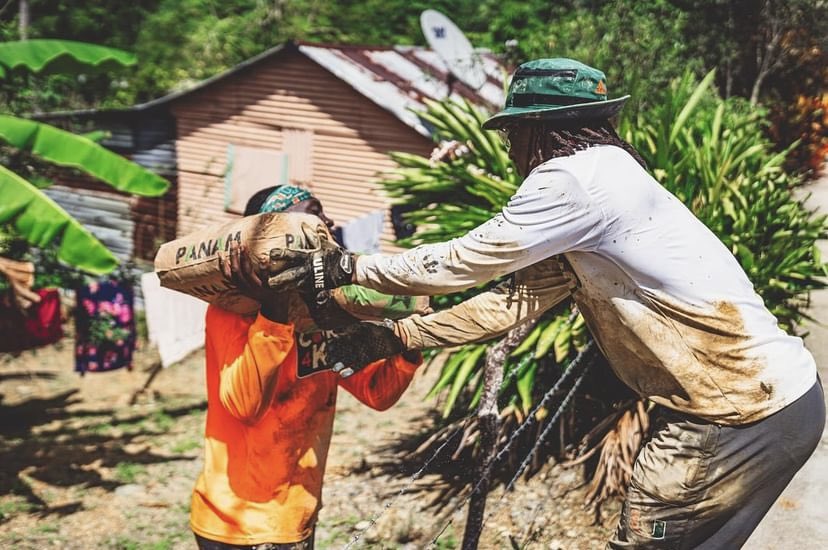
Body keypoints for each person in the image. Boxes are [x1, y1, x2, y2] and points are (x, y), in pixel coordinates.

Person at [266, 60, 826, 549]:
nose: (510, 148)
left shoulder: (572, 183)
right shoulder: (607, 179)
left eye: (512, 133)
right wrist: (399, 337)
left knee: (646, 541)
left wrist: (350, 265)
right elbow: (514, 301)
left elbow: (463, 261)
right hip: (777, 402)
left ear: (535, 129)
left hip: (734, 414)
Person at [189, 184, 423, 550]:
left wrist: (410, 342)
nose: (329, 220)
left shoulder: (324, 312)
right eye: (315, 211)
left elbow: (376, 392)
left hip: (295, 516)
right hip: (235, 523)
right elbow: (243, 406)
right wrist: (274, 313)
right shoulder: (233, 311)